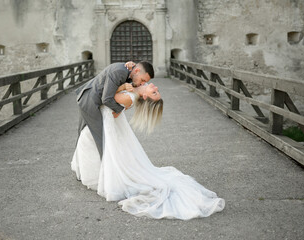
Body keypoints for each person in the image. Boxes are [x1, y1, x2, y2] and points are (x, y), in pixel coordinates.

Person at [72, 80, 225, 220]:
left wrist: (121, 85)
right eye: (156, 91)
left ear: (145, 97)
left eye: (154, 93)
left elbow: (104, 98)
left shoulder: (129, 97)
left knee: (91, 149)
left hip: (99, 129)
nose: (155, 87)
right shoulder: (132, 91)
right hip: (99, 126)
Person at [75, 61, 154, 159]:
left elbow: (130, 81)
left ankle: (82, 166)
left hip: (88, 98)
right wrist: (120, 109)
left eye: (144, 82)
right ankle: (106, 168)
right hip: (89, 101)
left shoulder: (130, 73)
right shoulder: (120, 72)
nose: (142, 84)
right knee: (101, 138)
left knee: (83, 133)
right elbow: (107, 99)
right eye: (142, 80)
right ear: (137, 71)